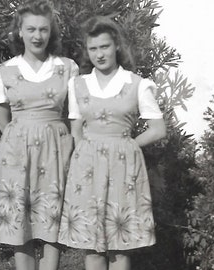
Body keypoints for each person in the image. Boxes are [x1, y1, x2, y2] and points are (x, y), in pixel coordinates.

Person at [58, 16, 166, 270]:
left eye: (104, 47)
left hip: (122, 169)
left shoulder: (137, 84)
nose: (99, 54)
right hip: (87, 170)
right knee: (92, 246)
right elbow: (76, 129)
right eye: (93, 48)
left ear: (116, 45)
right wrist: (84, 158)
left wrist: (127, 146)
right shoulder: (78, 85)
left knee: (119, 246)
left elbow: (158, 129)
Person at [0, 1, 78, 270]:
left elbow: (75, 115)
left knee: (52, 220)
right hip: (16, 154)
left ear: (51, 33)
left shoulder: (68, 68)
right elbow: (4, 121)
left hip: (56, 150)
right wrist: (19, 148)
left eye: (44, 30)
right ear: (19, 32)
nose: (38, 36)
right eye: (31, 29)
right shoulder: (3, 72)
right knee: (18, 224)